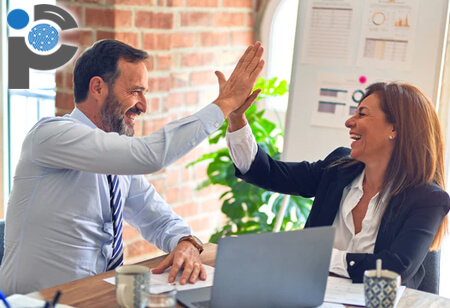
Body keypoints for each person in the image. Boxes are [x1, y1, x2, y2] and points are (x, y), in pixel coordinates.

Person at [0, 39, 264, 295]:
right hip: (35, 302)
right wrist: (225, 104)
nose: (143, 106)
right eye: (135, 91)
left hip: (94, 298)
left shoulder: (116, 163)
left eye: (144, 93)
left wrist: (186, 242)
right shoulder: (51, 136)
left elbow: (158, 218)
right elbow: (150, 155)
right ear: (97, 88)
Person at [226, 82, 450, 289]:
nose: (349, 122)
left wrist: (318, 256)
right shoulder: (338, 169)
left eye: (362, 114)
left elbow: (394, 267)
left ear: (394, 129)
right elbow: (268, 172)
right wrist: (236, 118)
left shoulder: (427, 198)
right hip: (313, 298)